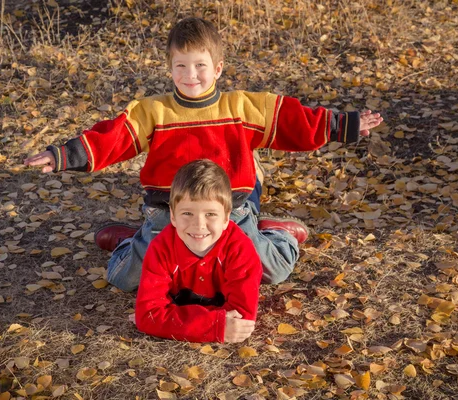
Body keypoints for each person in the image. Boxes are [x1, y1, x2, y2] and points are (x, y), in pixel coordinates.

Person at [23, 17, 383, 292]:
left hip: (230, 209)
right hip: (169, 210)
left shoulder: (240, 107)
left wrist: (345, 125)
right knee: (125, 279)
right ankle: (134, 241)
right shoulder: (154, 111)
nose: (190, 74)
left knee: (272, 271)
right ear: (169, 68)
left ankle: (274, 235)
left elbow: (293, 120)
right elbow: (112, 138)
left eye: (199, 65)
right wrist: (62, 155)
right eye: (180, 66)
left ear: (218, 68)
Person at [135, 160, 261, 342]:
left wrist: (167, 319)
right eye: (187, 213)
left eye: (210, 214)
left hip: (267, 246)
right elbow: (147, 316)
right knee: (122, 278)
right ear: (172, 216)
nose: (199, 225)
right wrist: (215, 325)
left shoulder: (241, 250)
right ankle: (126, 242)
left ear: (226, 218)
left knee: (278, 266)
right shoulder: (161, 249)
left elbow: (242, 320)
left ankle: (279, 234)